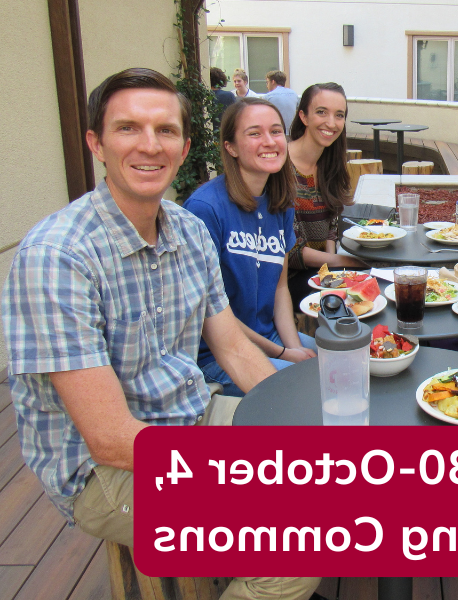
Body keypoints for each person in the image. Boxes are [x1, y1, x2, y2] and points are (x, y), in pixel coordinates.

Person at [1, 68, 320, 600]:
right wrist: (238, 469)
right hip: (103, 469)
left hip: (190, 416)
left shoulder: (187, 230)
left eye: (165, 131)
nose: (150, 145)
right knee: (293, 552)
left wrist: (287, 423)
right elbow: (107, 437)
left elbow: (234, 347)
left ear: (185, 145)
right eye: (128, 128)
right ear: (96, 144)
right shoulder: (57, 257)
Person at [184, 98, 317, 396]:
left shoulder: (279, 202)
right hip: (220, 355)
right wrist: (284, 355)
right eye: (254, 133)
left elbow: (280, 288)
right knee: (310, 391)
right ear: (230, 147)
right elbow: (210, 313)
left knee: (348, 363)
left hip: (273, 337)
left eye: (275, 131)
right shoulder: (205, 209)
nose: (269, 141)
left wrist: (293, 347)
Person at [285, 82, 366, 309]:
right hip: (288, 281)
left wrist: (334, 268)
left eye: (339, 115)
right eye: (321, 112)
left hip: (321, 271)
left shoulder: (329, 164)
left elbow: (332, 227)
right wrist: (343, 262)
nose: (331, 123)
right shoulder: (281, 168)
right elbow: (290, 251)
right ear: (303, 116)